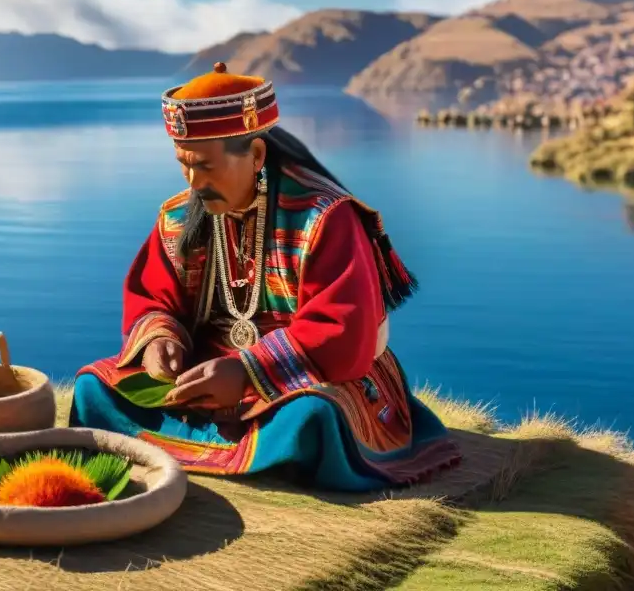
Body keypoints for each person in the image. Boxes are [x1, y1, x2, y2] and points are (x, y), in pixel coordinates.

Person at [69, 63, 462, 490]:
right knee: (94, 388)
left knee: (311, 419)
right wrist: (161, 341)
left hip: (303, 377)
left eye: (206, 166)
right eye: (184, 165)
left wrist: (245, 372)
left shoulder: (325, 218)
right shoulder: (179, 217)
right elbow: (153, 297)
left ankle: (236, 444)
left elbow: (343, 333)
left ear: (255, 155)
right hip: (206, 373)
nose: (194, 182)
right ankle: (248, 450)